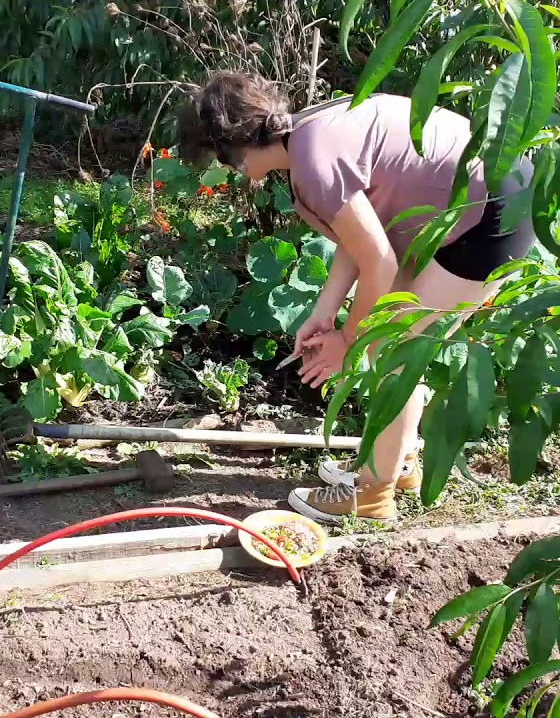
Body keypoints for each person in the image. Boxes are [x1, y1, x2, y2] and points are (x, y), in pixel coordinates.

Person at [177, 72, 536, 525]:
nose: (227, 172)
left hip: (494, 210)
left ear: (230, 145)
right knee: (399, 338)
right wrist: (325, 311)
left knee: (393, 347)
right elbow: (362, 232)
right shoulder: (308, 132)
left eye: (217, 158)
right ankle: (397, 461)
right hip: (483, 190)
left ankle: (372, 494)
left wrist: (349, 339)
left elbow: (381, 263)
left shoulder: (313, 163)